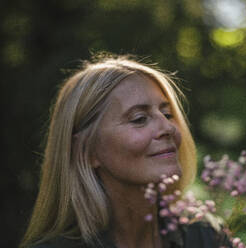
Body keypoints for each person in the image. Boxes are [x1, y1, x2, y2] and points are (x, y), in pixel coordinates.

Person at [20, 54, 232, 248]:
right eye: (139, 119)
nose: (168, 128)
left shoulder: (205, 237)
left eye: (167, 114)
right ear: (86, 150)